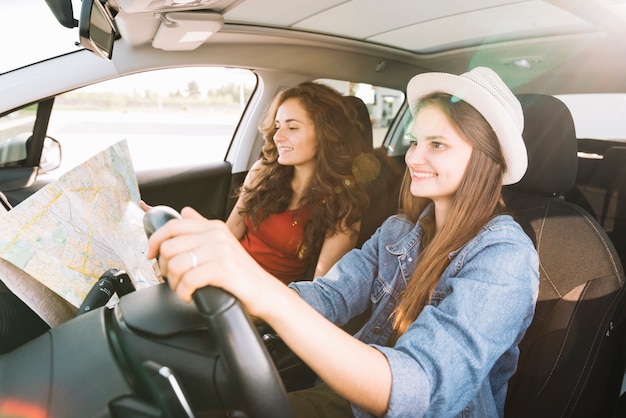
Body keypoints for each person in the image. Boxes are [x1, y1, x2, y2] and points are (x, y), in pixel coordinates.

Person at [146, 67, 539, 417]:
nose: (415, 157)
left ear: (487, 160)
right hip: (347, 400)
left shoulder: (505, 257)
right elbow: (329, 297)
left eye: (437, 144)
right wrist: (222, 281)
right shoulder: (397, 232)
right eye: (415, 141)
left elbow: (422, 391)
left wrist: (263, 290)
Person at [225, 81, 371, 283]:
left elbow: (322, 289)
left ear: (325, 133)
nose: (277, 136)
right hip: (225, 274)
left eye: (292, 127)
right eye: (277, 126)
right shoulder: (262, 172)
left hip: (265, 300)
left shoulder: (343, 204)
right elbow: (230, 231)